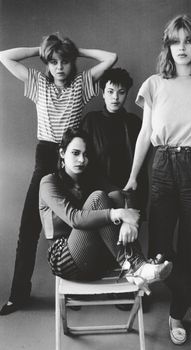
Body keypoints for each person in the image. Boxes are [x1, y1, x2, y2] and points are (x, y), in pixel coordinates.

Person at [124, 14, 191, 344]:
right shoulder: (154, 83)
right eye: (176, 41)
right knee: (158, 249)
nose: (182, 47)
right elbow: (145, 133)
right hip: (160, 166)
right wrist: (132, 176)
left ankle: (176, 317)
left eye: (189, 41)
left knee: (189, 248)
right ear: (167, 46)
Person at [0, 34, 117, 315]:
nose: (59, 67)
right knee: (29, 229)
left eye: (65, 61)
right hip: (46, 157)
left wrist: (77, 50)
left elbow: (111, 57)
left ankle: (86, 281)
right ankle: (18, 295)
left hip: (75, 158)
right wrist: (41, 50)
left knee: (89, 215)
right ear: (47, 64)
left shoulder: (81, 84)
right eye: (53, 62)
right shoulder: (38, 83)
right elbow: (4, 56)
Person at [38, 127, 173, 295]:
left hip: (97, 261)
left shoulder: (90, 177)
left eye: (86, 155)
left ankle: (136, 267)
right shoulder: (48, 182)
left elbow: (123, 195)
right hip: (64, 259)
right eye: (75, 153)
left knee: (114, 197)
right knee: (98, 198)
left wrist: (128, 224)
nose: (81, 160)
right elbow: (75, 218)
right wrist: (119, 214)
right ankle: (137, 266)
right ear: (62, 153)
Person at [81, 68, 148, 215]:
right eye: (110, 91)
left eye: (121, 92)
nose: (115, 97)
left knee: (127, 237)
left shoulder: (134, 123)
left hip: (129, 194)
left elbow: (142, 167)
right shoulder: (91, 121)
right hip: (98, 195)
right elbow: (85, 164)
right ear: (103, 93)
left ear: (127, 94)